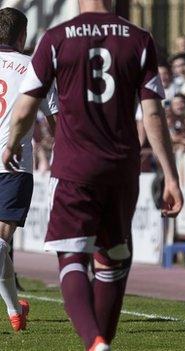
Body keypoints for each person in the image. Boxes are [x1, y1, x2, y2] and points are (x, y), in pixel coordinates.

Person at [2, 1, 183, 350]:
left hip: (74, 164)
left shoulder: (55, 39)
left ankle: (95, 341)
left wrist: (12, 143)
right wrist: (170, 175)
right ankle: (103, 338)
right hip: (121, 165)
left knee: (71, 255)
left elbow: (25, 108)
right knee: (113, 254)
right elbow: (153, 114)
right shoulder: (138, 38)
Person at [0, 7, 57, 332]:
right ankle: (14, 307)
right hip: (13, 165)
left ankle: (14, 310)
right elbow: (54, 118)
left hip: (11, 165)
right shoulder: (32, 66)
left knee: (1, 244)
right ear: (22, 35)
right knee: (2, 242)